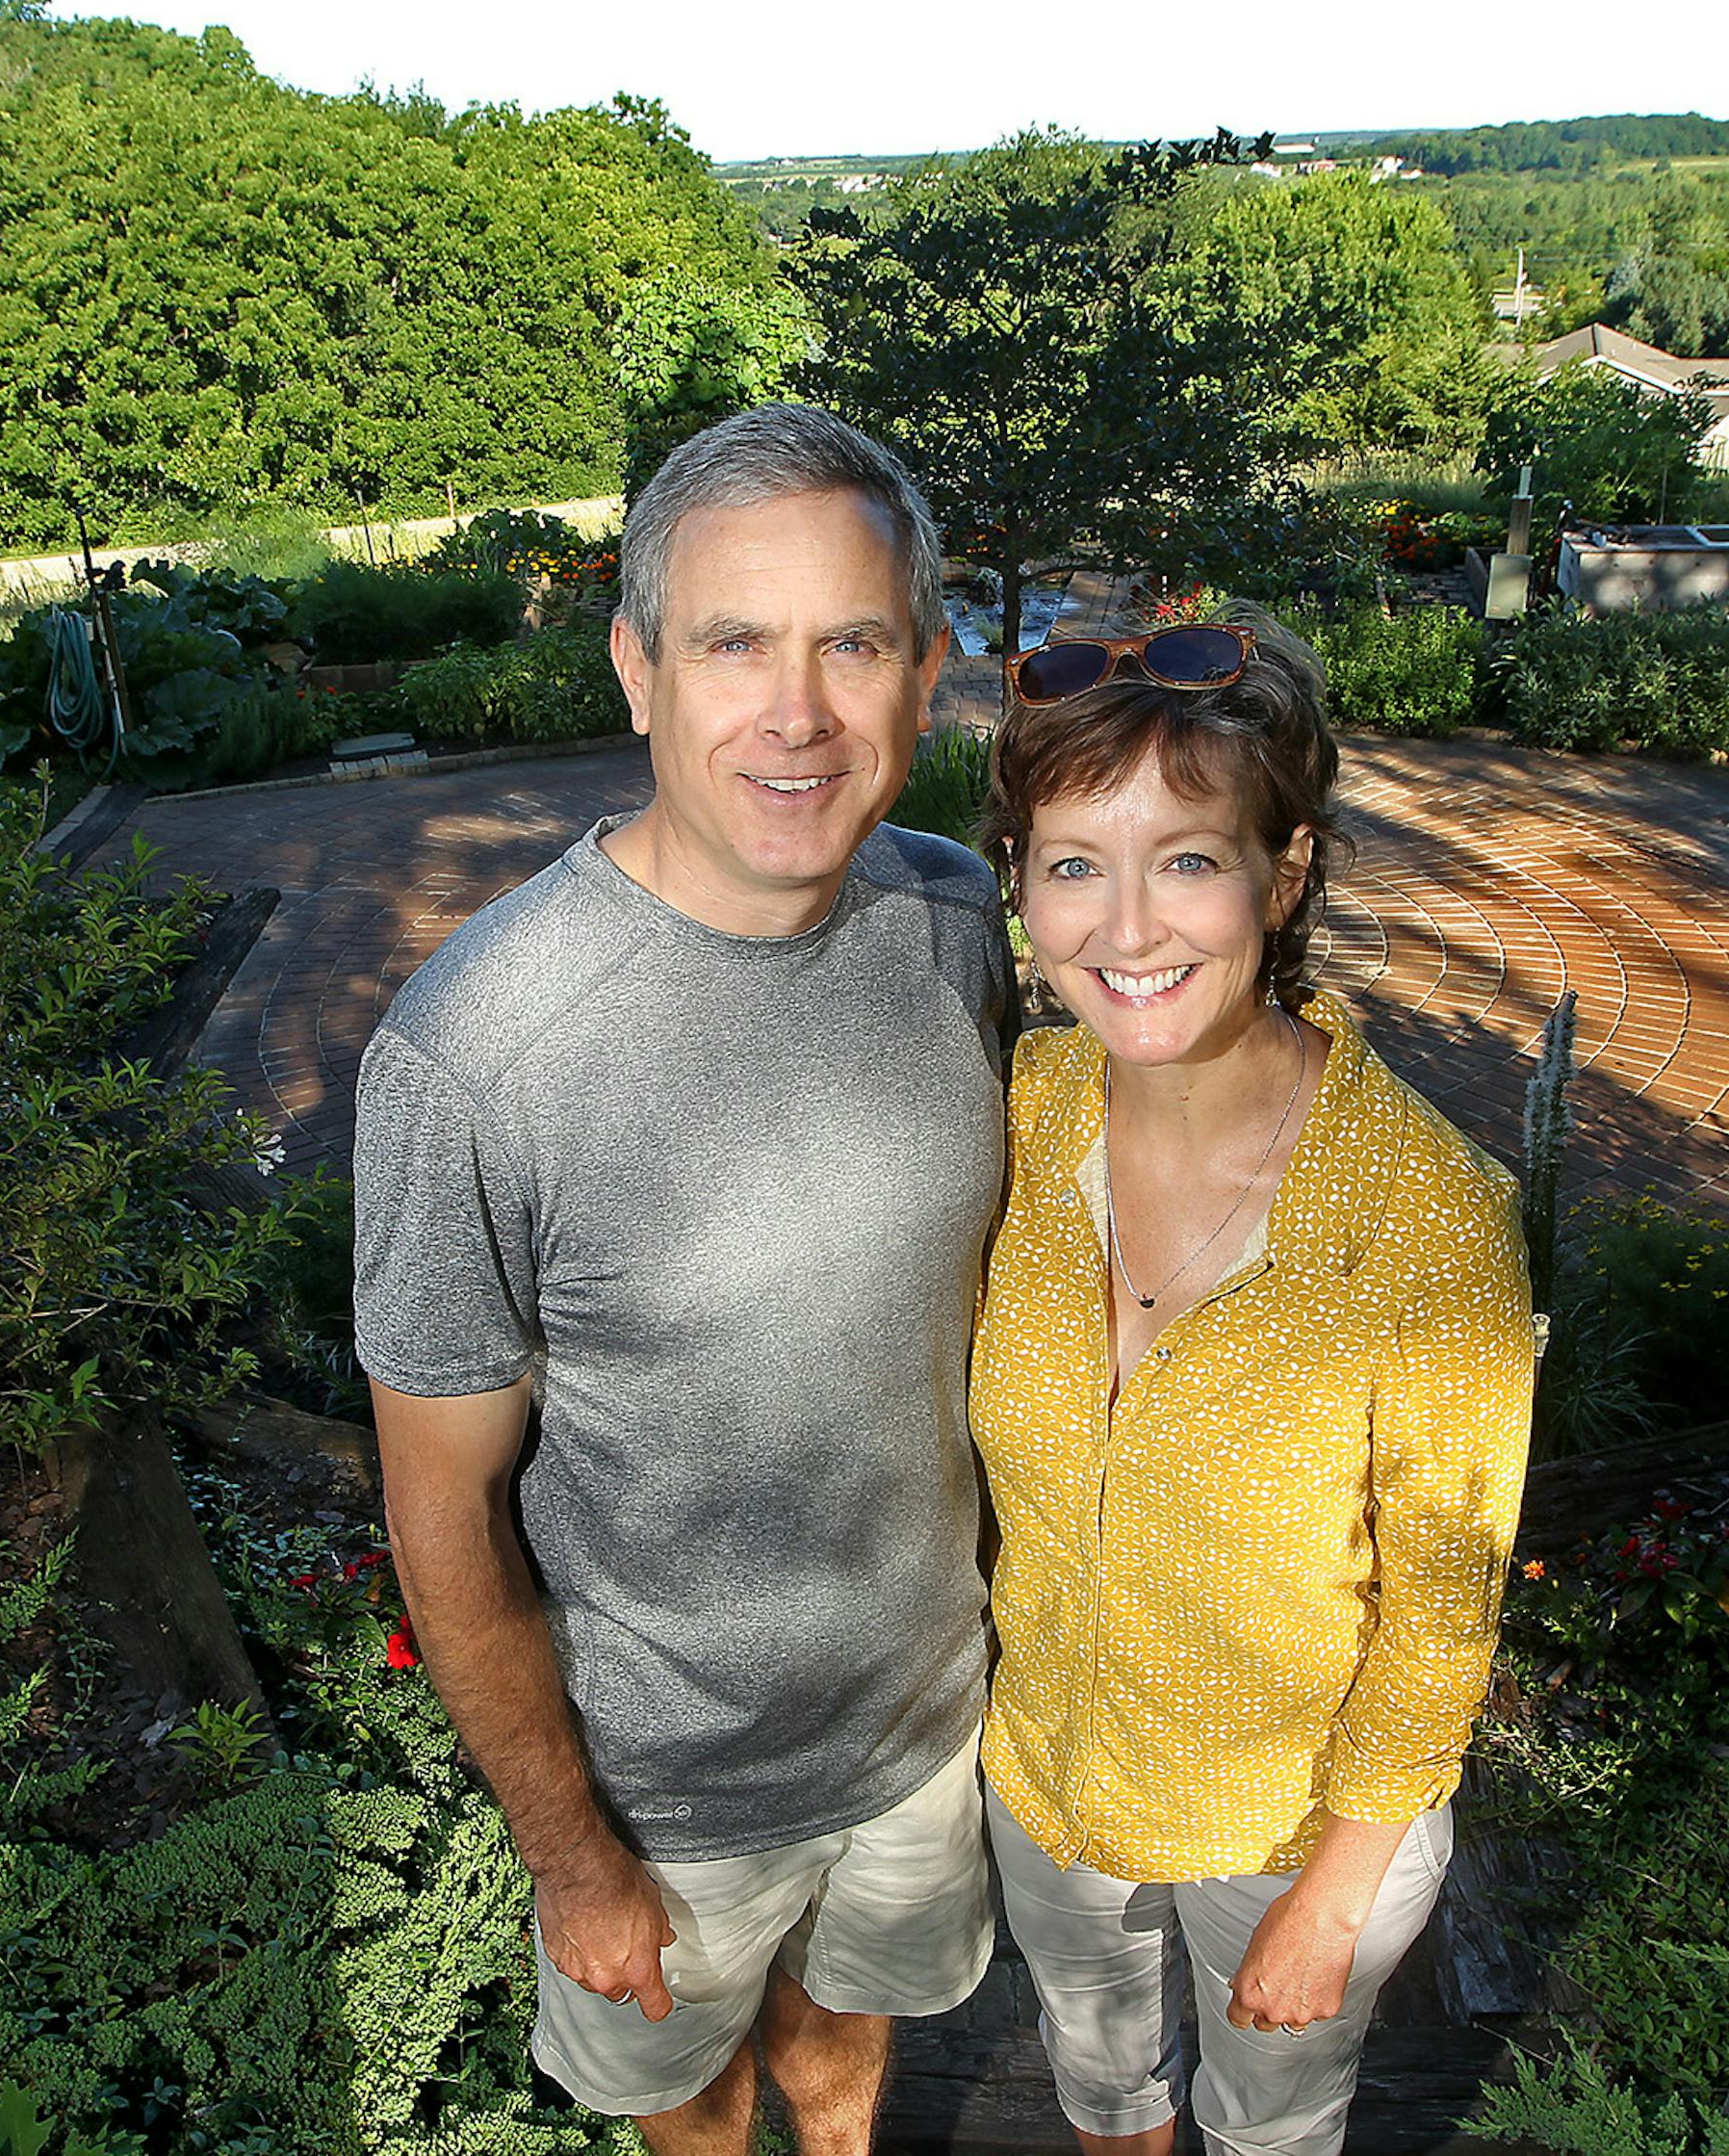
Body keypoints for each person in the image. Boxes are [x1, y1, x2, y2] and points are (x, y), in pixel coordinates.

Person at [351, 403, 1016, 2156]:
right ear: (638, 669)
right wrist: (572, 1855)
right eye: (735, 643)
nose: (796, 714)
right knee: (704, 2107)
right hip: (663, 1802)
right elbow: (444, 1511)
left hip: (927, 1727)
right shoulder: (479, 1057)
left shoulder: (954, 928)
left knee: (841, 2060)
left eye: (853, 643)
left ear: (926, 675)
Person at [968, 606, 1535, 2156]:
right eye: (1074, 862)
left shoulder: (1419, 1210)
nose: (1125, 927)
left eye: (1189, 860)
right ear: (1019, 885)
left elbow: (1443, 1598)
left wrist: (1334, 1894)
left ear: (1285, 877)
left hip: (1283, 1836)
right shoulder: (1016, 1119)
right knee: (1102, 2092)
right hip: (1048, 1779)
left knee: (1269, 2129)